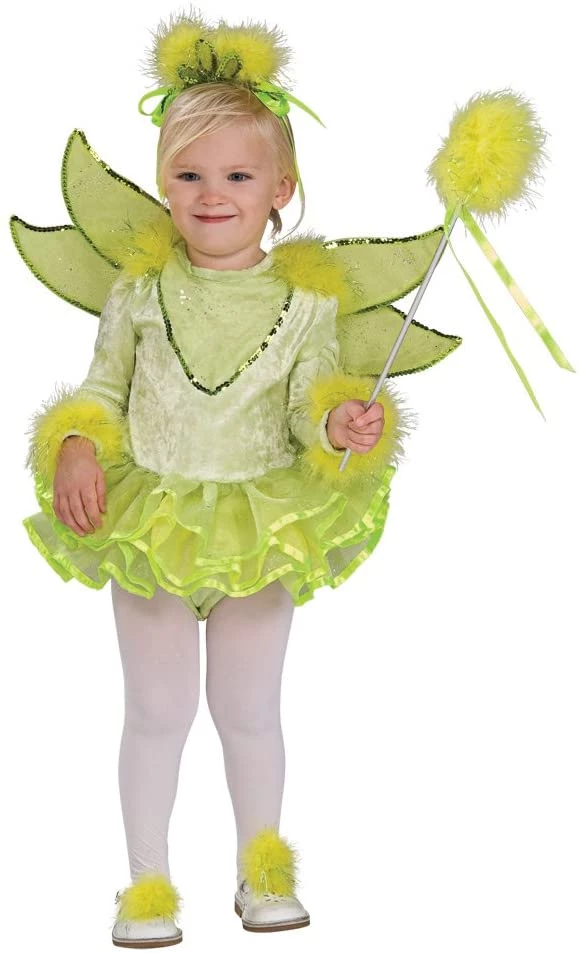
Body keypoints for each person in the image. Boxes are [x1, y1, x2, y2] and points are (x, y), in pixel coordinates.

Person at [15, 12, 447, 949]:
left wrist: (339, 423)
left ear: (281, 187)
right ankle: (146, 884)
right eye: (189, 175)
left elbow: (303, 406)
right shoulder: (140, 288)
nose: (213, 195)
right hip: (153, 521)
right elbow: (102, 389)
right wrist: (76, 441)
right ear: (162, 181)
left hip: (261, 522)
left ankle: (263, 871)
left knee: (248, 712)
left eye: (239, 177)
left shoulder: (306, 299)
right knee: (156, 711)